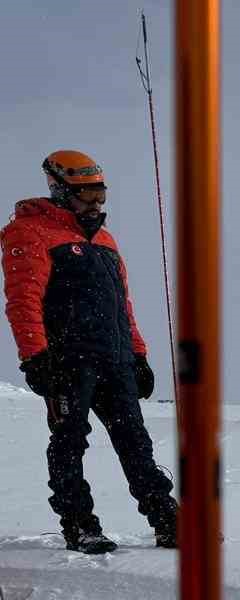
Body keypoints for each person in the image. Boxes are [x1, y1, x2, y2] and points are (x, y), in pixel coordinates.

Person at [3, 151, 176, 555]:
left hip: (114, 359)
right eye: (87, 195)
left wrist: (138, 354)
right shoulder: (29, 232)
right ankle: (80, 524)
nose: (97, 203)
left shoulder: (105, 240)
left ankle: (166, 520)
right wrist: (35, 357)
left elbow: (123, 304)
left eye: (101, 193)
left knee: (135, 440)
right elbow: (22, 300)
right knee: (69, 441)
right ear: (60, 191)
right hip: (67, 361)